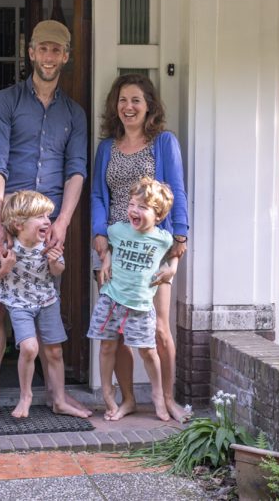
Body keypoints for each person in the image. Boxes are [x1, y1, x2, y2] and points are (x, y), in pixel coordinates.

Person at [0, 19, 91, 425]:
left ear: (67, 57)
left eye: (57, 50)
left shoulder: (74, 113)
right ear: (31, 52)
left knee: (45, 301)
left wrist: (63, 224)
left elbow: (76, 172)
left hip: (49, 223)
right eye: (43, 49)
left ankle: (57, 395)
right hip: (6, 217)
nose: (49, 57)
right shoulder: (5, 102)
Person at [91, 73, 189, 422]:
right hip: (114, 252)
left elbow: (177, 191)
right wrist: (99, 239)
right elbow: (98, 196)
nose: (128, 107)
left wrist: (179, 242)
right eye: (122, 100)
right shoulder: (106, 147)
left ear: (149, 105)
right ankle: (129, 398)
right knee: (115, 331)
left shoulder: (164, 142)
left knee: (159, 328)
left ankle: (167, 399)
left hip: (152, 251)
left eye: (135, 100)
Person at [0, 190, 88, 418]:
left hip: (47, 302)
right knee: (30, 348)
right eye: (40, 217)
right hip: (19, 304)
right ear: (18, 224)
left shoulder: (47, 245)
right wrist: (4, 269)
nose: (47, 222)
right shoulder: (6, 247)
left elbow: (58, 269)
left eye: (48, 216)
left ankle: (60, 400)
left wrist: (54, 263)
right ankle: (26, 396)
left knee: (54, 351)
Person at [88, 177, 178, 421]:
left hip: (139, 305)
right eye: (132, 204)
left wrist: (173, 267)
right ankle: (108, 393)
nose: (134, 211)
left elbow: (175, 253)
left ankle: (158, 396)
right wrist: (106, 256)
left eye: (143, 207)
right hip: (111, 300)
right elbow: (107, 246)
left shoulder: (163, 239)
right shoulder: (117, 230)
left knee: (148, 351)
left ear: (158, 215)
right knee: (107, 346)